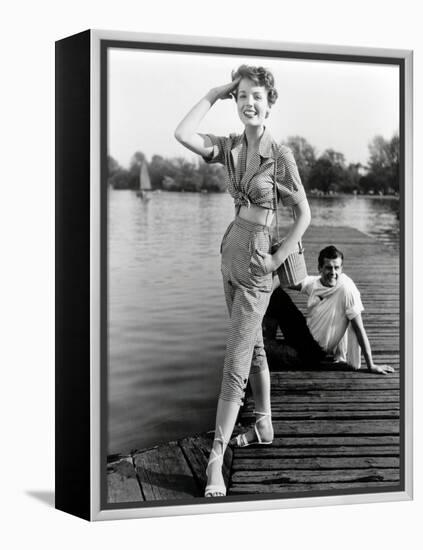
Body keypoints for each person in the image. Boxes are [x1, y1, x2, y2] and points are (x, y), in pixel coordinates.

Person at [174, 65, 311, 497]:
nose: (249, 103)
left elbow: (304, 214)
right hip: (229, 253)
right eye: (242, 95)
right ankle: (265, 425)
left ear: (270, 102)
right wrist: (214, 92)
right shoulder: (231, 147)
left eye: (257, 96)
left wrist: (276, 261)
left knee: (234, 361)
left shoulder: (280, 156)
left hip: (257, 265)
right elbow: (182, 134)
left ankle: (216, 457)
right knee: (251, 347)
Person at [265, 245, 395, 375]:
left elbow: (359, 329)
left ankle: (267, 344)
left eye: (337, 268)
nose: (333, 273)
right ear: (320, 268)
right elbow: (283, 280)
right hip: (302, 333)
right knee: (275, 293)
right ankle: (266, 335)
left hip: (312, 351)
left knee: (261, 351)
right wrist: (268, 291)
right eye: (328, 267)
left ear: (341, 268)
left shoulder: (346, 290)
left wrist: (371, 365)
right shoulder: (315, 283)